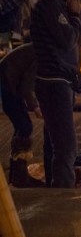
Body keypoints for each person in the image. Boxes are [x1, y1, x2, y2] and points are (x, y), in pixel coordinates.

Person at [30, 0, 81, 188]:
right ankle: (64, 199)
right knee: (66, 148)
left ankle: (53, 193)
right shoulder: (51, 3)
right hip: (54, 82)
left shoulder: (55, 3)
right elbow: (68, 39)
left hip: (59, 81)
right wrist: (76, 16)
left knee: (54, 143)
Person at [0, 43, 44, 187]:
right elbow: (27, 85)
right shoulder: (41, 54)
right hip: (7, 81)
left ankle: (16, 173)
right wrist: (35, 107)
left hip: (10, 81)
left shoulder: (39, 49)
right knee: (25, 127)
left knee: (22, 126)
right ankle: (18, 174)